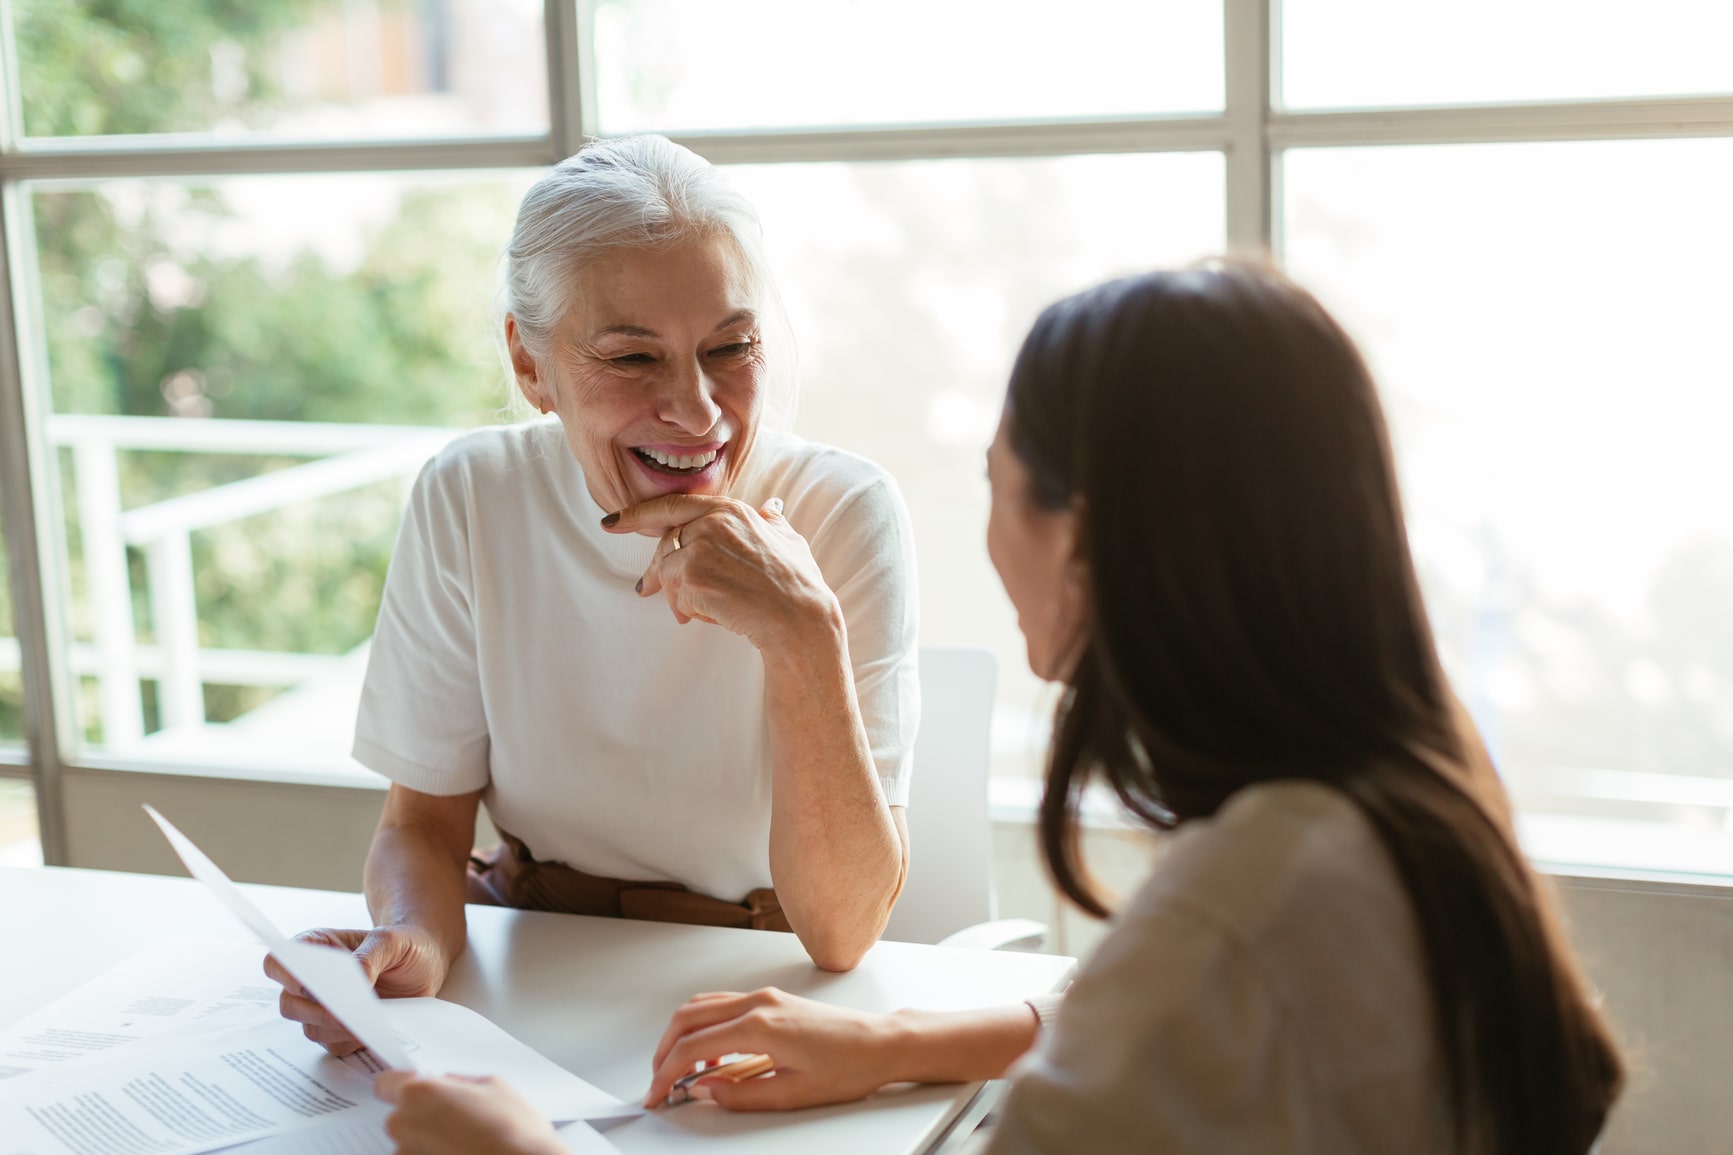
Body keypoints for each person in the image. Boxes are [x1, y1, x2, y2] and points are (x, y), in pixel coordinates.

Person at [369, 262, 1626, 1153]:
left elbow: (1178, 984)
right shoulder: (1391, 814)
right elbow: (1149, 998)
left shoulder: (1243, 908)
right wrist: (891, 1042)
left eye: (998, 482)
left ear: (1087, 541)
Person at [269, 135, 921, 1053]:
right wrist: (410, 938)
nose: (698, 411)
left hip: (762, 981)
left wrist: (801, 630)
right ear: (530, 365)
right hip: (533, 956)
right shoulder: (472, 494)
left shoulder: (843, 510)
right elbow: (421, 823)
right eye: (632, 359)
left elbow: (843, 930)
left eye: (730, 347)